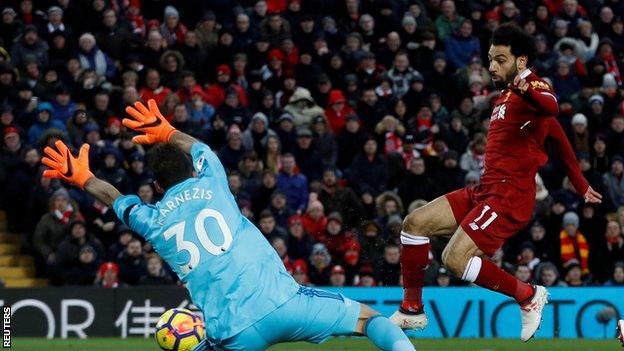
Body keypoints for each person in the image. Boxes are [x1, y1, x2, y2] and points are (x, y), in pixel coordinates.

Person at [40, 99, 414, 351]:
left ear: (155, 186)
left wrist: (83, 177)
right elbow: (203, 149)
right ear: (191, 170)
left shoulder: (150, 221)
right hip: (285, 303)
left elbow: (112, 198)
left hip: (234, 330)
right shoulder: (212, 179)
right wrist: (168, 132)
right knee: (370, 321)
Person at [391, 24, 602, 342]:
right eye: (490, 59)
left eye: (500, 59)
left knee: (454, 258)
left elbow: (552, 106)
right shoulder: (506, 96)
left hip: (509, 195)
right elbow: (558, 137)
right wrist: (580, 183)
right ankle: (411, 310)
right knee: (414, 223)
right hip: (486, 189)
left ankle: (528, 295)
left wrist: (525, 83)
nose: (491, 66)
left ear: (520, 61)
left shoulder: (530, 87)